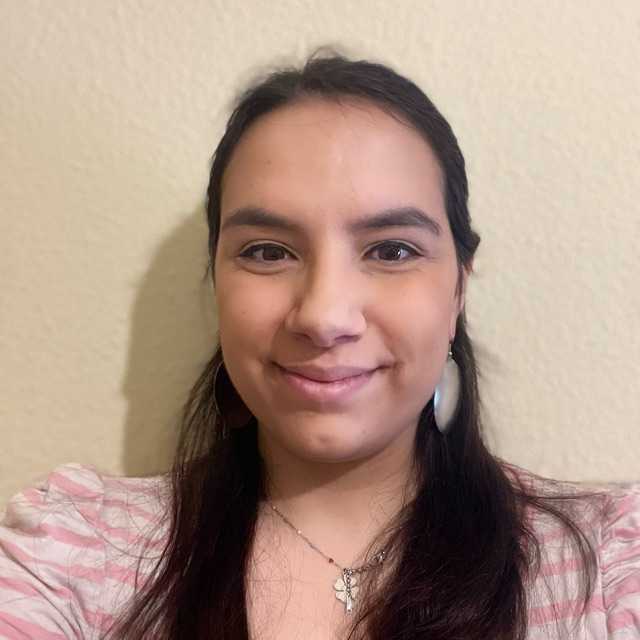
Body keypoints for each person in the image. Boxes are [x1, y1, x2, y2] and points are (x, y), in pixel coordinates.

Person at [1, 50, 639, 640]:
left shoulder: (609, 569)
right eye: (267, 252)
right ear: (217, 283)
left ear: (458, 291)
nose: (324, 316)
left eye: (392, 251)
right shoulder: (72, 556)